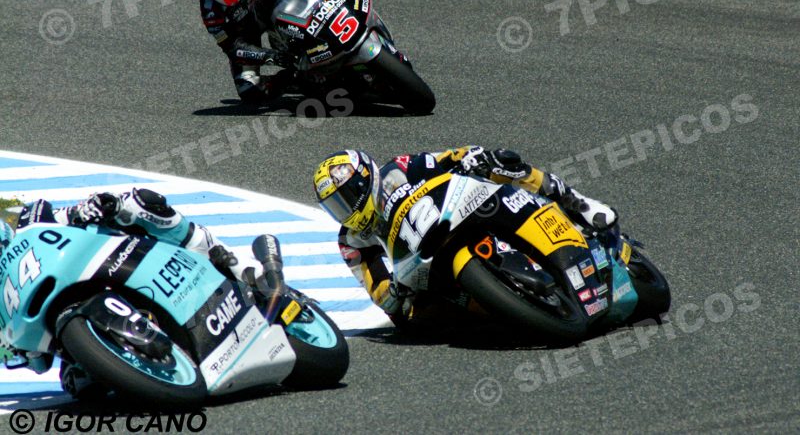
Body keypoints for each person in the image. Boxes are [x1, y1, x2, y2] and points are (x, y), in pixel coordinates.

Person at [0, 188, 269, 397]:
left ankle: (234, 263)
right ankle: (151, 364)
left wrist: (91, 208)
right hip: (80, 326)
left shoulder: (30, 220)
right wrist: (20, 350)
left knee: (138, 203)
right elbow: (38, 364)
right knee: (79, 386)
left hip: (114, 260)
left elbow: (69, 215)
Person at [312, 146, 618, 323]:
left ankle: (576, 202)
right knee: (412, 321)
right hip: (418, 273)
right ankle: (497, 311)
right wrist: (391, 294)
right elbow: (375, 287)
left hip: (456, 213)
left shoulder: (399, 169)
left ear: (367, 179)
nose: (346, 210)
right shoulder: (351, 241)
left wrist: (469, 156)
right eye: (336, 207)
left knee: (502, 163)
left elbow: (447, 157)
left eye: (347, 197)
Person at [198, 0, 358, 106]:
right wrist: (270, 57)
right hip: (246, 34)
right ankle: (294, 78)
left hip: (279, 10)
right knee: (249, 92)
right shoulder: (209, 10)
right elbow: (233, 48)